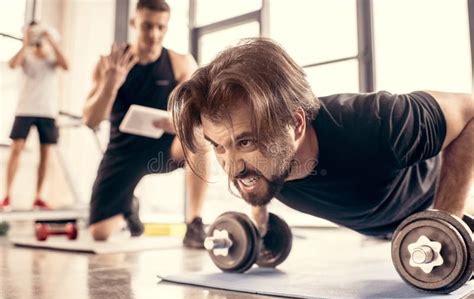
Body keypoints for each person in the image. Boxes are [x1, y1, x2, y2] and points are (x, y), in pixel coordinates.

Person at [169, 37, 473, 238]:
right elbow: (251, 170)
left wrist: (445, 221)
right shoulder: (265, 165)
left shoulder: (382, 123)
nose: (231, 167)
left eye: (246, 142)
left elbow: (470, 111)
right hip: (394, 235)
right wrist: (258, 216)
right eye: (218, 146)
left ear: (296, 125)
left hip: (450, 202)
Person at [83, 0, 209, 247]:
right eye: (147, 26)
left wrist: (180, 121)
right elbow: (91, 120)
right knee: (100, 233)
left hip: (163, 149)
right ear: (134, 23)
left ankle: (194, 224)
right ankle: (129, 206)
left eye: (161, 27)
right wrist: (112, 83)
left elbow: (198, 113)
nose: (154, 34)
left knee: (198, 135)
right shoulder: (109, 63)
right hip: (123, 152)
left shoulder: (180, 62)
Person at [0, 21, 69, 212]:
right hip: (25, 109)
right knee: (16, 149)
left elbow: (67, 65)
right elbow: (13, 65)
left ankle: (38, 197)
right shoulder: (27, 55)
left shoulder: (52, 57)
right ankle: (6, 196)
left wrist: (51, 40)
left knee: (46, 154)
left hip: (47, 111)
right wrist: (26, 42)